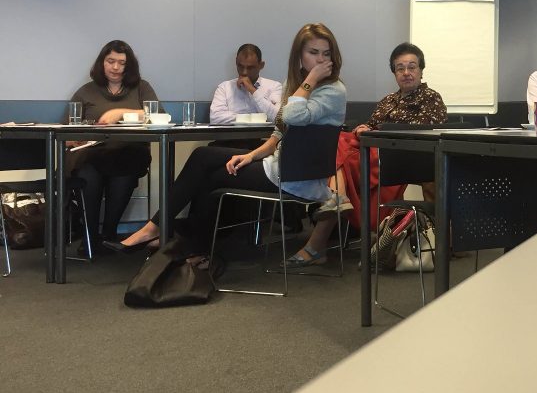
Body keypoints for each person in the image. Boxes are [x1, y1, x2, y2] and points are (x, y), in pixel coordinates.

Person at [106, 23, 346, 254]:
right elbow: (279, 131)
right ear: (299, 56)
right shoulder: (294, 85)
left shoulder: (332, 90)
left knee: (207, 169)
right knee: (204, 160)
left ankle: (169, 235)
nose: (321, 60)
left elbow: (291, 115)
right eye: (313, 52)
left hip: (297, 178)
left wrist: (310, 80)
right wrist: (250, 155)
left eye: (326, 53)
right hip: (278, 166)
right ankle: (184, 242)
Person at [286, 42, 447, 266]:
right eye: (400, 68)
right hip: (374, 150)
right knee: (338, 141)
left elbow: (425, 131)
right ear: (394, 72)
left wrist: (377, 131)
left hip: (404, 155)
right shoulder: (389, 100)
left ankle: (333, 204)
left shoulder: (431, 98)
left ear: (421, 70)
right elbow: (371, 124)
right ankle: (336, 201)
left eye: (412, 67)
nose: (406, 73)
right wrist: (364, 128)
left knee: (339, 149)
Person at [67, 40, 158, 255]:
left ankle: (108, 234)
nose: (116, 67)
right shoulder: (86, 92)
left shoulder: (141, 87)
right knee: (88, 173)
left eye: (122, 63)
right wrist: (77, 139)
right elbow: (68, 129)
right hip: (92, 154)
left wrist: (120, 113)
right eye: (111, 61)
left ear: (129, 66)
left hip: (128, 153)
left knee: (125, 167)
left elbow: (156, 115)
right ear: (102, 63)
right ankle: (90, 237)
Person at [209, 43, 282, 125]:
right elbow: (215, 118)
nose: (244, 72)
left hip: (263, 137)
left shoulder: (274, 87)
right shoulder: (224, 88)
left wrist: (253, 90)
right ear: (236, 62)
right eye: (240, 66)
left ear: (261, 65)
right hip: (231, 136)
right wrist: (254, 117)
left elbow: (277, 118)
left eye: (250, 68)